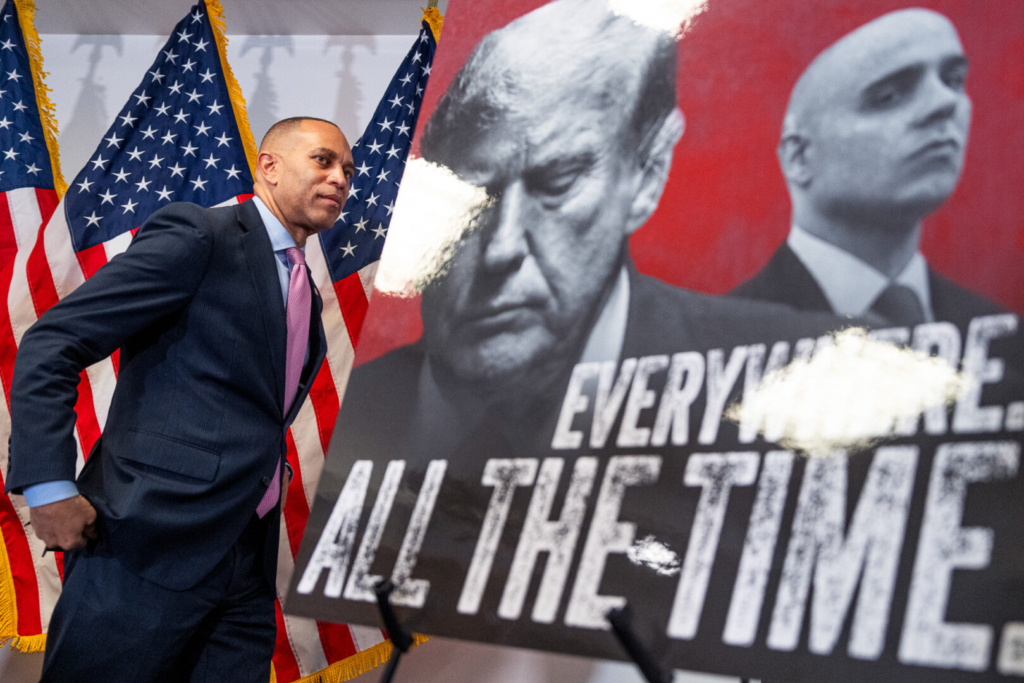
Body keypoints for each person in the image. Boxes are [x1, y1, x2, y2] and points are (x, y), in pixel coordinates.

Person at [335, 0, 845, 469]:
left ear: (647, 173)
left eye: (557, 183)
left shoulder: (810, 378)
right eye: (470, 193)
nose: (503, 247)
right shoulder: (336, 419)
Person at [6, 117, 354, 682]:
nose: (340, 178)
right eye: (323, 160)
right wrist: (48, 488)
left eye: (348, 171)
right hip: (143, 545)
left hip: (246, 566)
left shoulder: (303, 291)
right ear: (268, 166)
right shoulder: (200, 234)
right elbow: (53, 343)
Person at [731, 8, 1003, 331]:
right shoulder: (721, 334)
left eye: (954, 80)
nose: (945, 102)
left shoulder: (1005, 335)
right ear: (800, 157)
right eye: (888, 96)